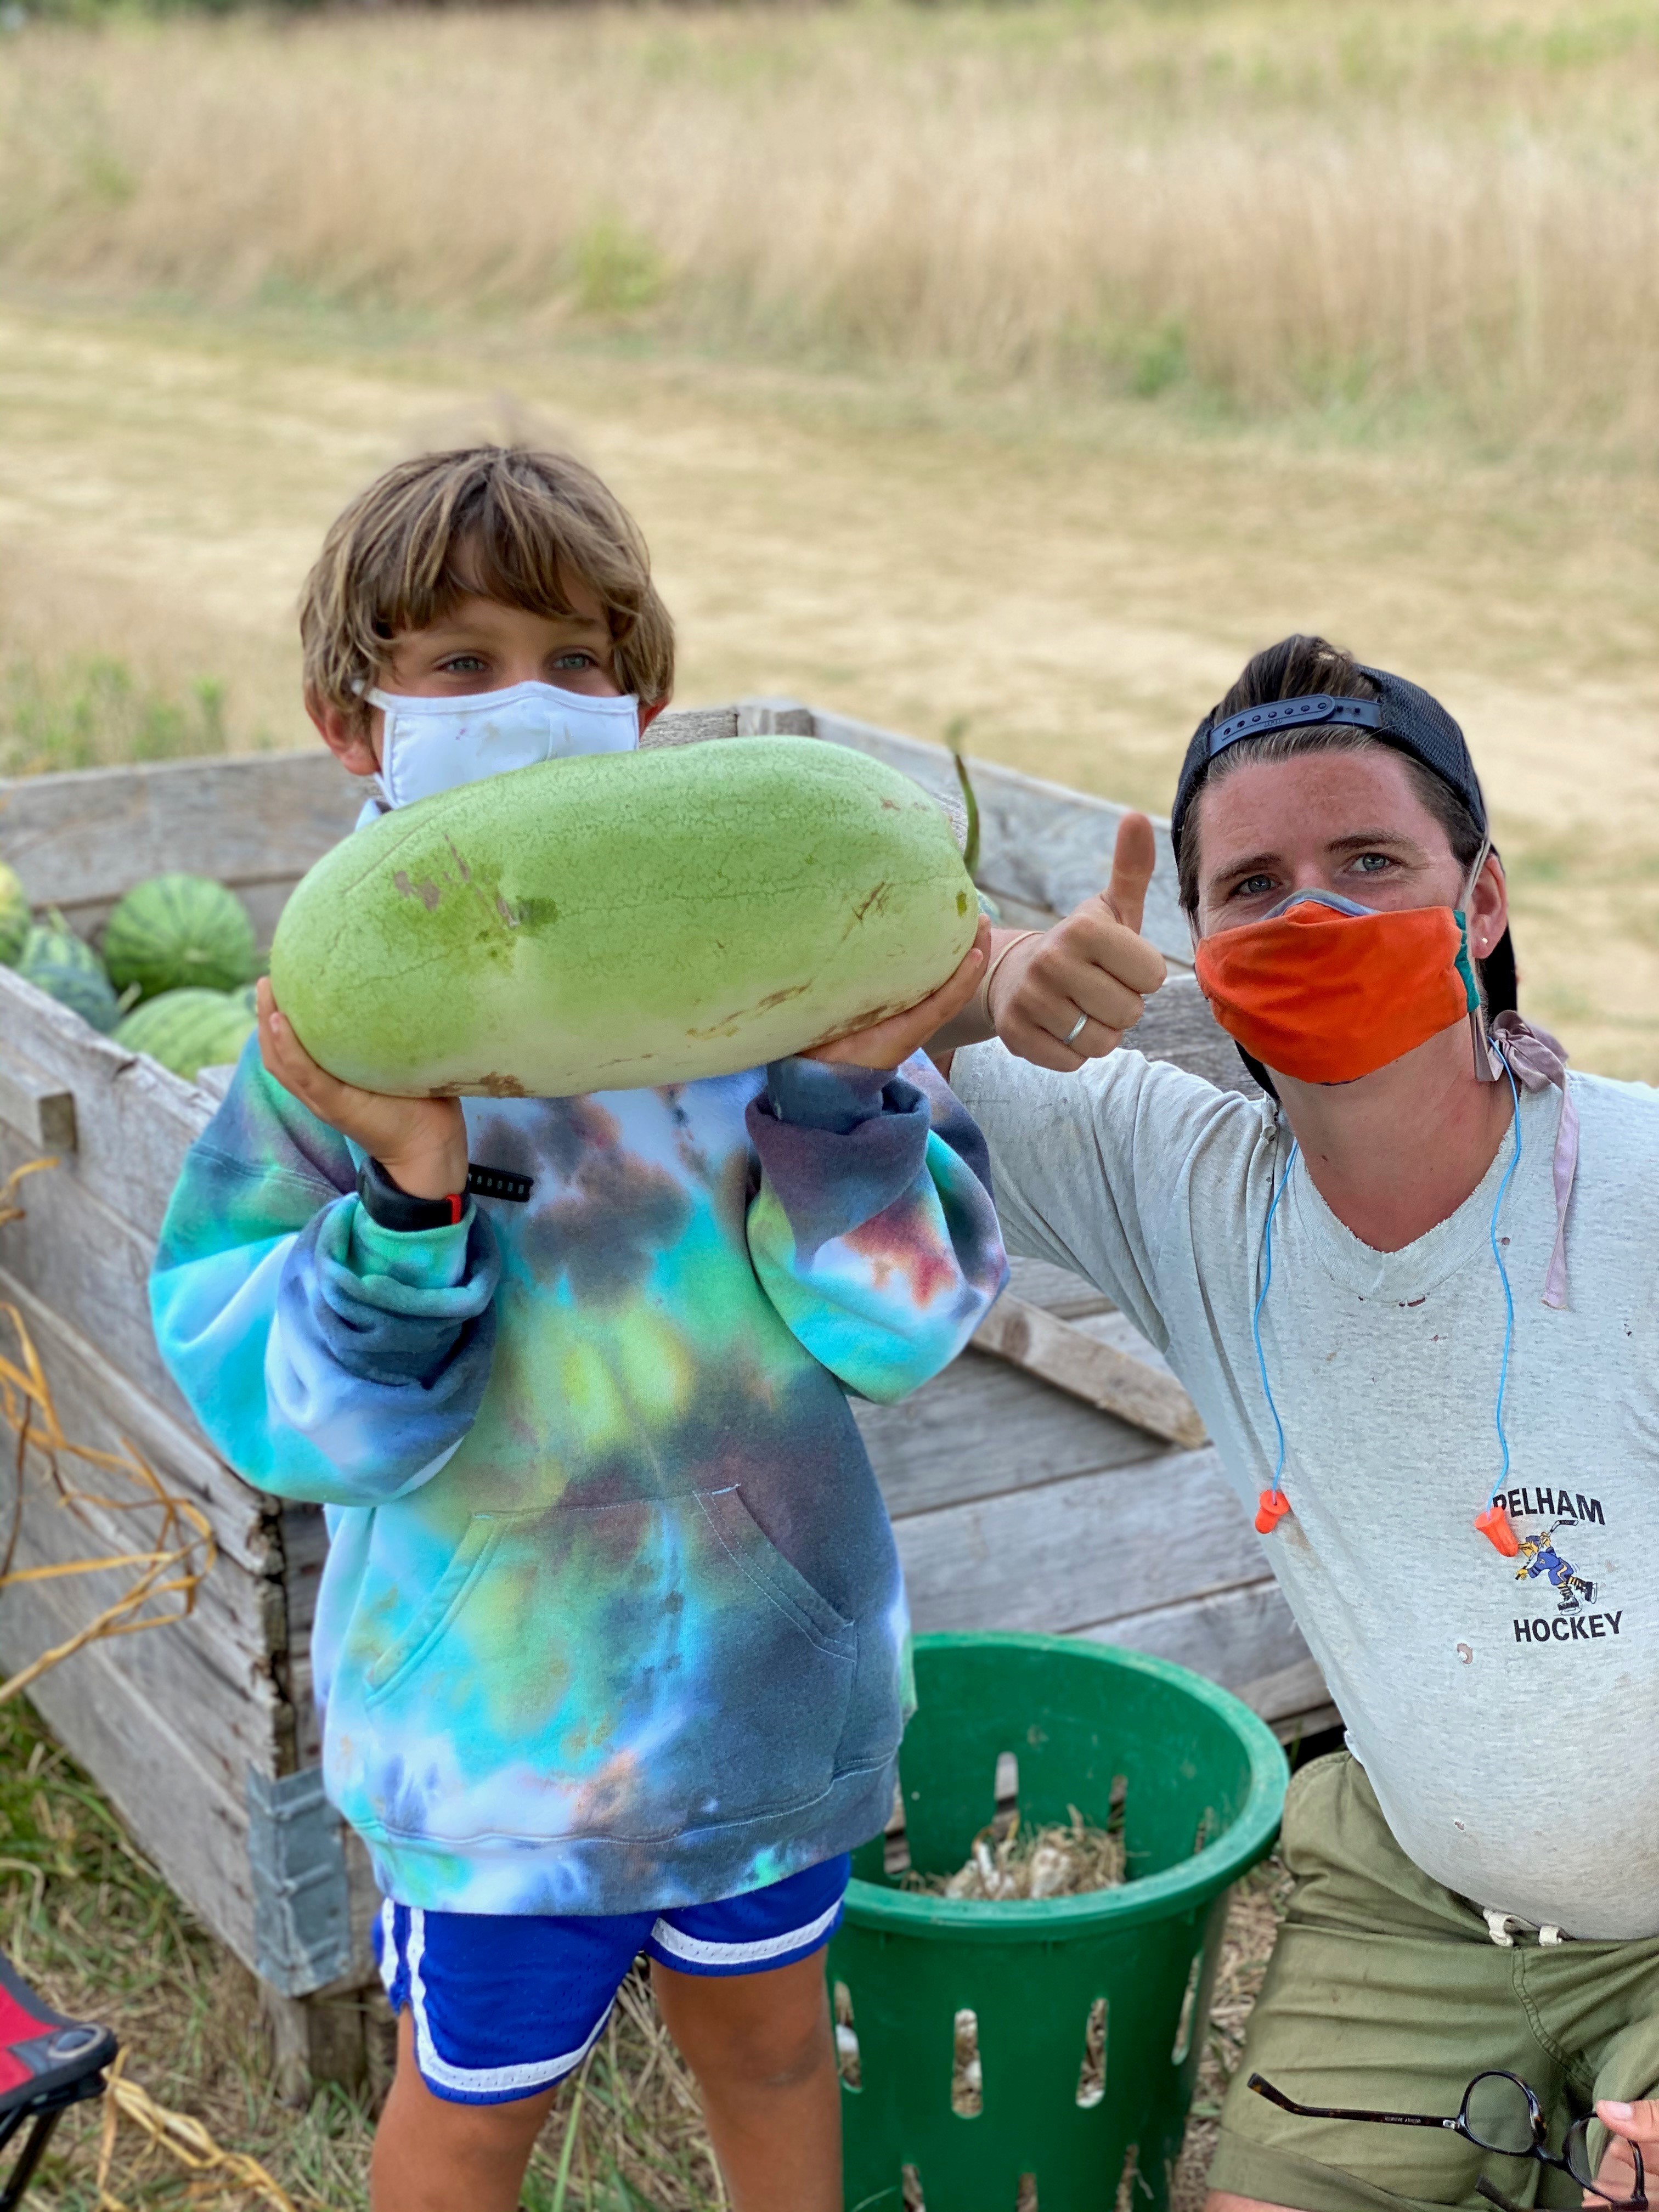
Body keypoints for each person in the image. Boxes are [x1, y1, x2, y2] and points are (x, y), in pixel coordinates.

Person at [149, 444, 1006, 2212]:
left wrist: (846, 1104)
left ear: (648, 703)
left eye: (575, 660)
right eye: (458, 664)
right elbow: (287, 1421)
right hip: (496, 1749)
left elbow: (897, 1335)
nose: (523, 699)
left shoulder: (776, 976)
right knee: (469, 2116)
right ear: (352, 717)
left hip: (766, 1706)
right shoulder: (341, 1031)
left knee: (776, 2061)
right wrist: (406, 1195)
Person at [935, 635, 1658, 2212]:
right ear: (1198, 944)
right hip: (1415, 1899)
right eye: (1254, 886)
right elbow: (812, 985)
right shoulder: (1179, 1182)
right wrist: (986, 974)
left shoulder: (1641, 1194)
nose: (1314, 911)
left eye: (1371, 861)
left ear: (1480, 902)